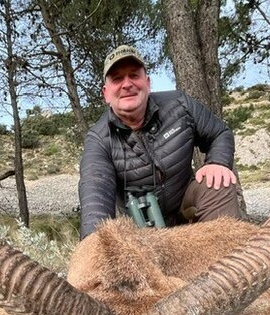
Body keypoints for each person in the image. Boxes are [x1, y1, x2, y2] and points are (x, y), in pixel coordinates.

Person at [79, 44, 241, 239]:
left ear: (147, 83)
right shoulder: (98, 139)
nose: (127, 84)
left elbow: (220, 133)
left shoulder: (180, 105)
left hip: (184, 202)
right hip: (138, 229)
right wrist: (92, 243)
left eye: (134, 75)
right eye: (117, 79)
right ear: (105, 93)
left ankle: (227, 259)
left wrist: (218, 162)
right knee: (104, 240)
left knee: (218, 183)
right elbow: (95, 194)